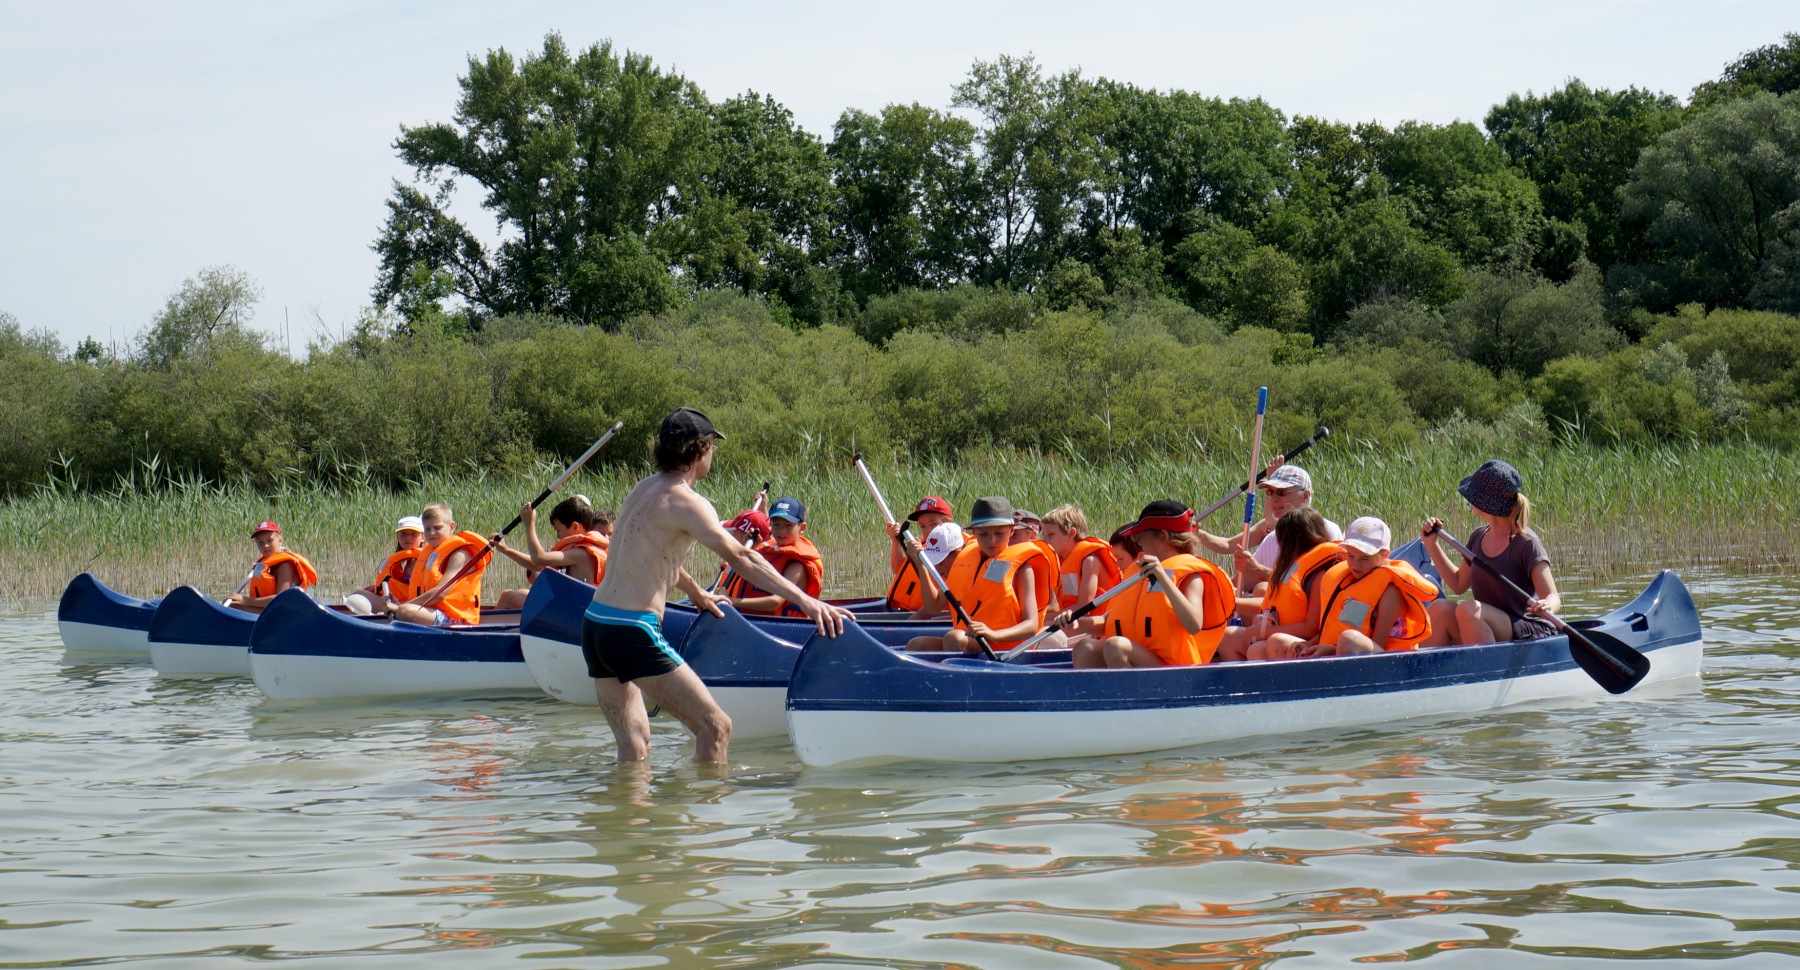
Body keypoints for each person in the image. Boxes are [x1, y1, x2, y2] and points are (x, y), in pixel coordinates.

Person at [585, 407, 850, 764]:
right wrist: (807, 601)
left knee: (634, 749)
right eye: (712, 446)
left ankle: (630, 802)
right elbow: (742, 557)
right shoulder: (688, 501)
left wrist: (696, 593)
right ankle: (709, 802)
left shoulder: (643, 488)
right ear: (701, 449)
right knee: (716, 728)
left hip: (597, 625)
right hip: (632, 630)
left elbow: (651, 556)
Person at [1071, 501, 1233, 668]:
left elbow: (1194, 625)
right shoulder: (1137, 571)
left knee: (1116, 646)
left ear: (1163, 537)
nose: (1139, 544)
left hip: (1174, 668)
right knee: (1085, 648)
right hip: (1139, 655)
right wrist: (1076, 622)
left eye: (1142, 537)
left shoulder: (1191, 576)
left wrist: (1162, 578)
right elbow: (1108, 622)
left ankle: (1129, 686)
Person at [1419, 459, 1561, 646]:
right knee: (1440, 609)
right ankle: (1430, 665)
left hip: (1527, 626)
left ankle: (1485, 663)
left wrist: (1547, 604)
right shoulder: (1478, 536)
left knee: (1469, 610)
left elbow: (1553, 597)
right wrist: (1431, 544)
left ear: (1488, 503)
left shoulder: (1527, 543)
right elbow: (1458, 584)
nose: (1469, 499)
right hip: (1487, 623)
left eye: (1475, 494)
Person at [1259, 517, 1437, 658]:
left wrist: (1330, 650)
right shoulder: (1346, 579)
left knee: (1349, 639)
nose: (1356, 565)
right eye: (1350, 556)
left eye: (1364, 558)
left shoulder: (1390, 592)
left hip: (1381, 658)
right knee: (1277, 642)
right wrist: (1309, 644)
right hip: (1338, 649)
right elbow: (1331, 626)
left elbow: (1377, 645)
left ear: (1384, 555)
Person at [904, 496, 1046, 654]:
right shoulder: (965, 561)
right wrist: (920, 564)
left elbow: (1031, 625)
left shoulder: (1023, 569)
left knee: (955, 638)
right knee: (917, 644)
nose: (992, 540)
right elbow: (933, 606)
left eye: (999, 533)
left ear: (1011, 531)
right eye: (983, 534)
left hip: (1003, 648)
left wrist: (993, 635)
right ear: (974, 533)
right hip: (970, 641)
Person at [1236, 509, 1339, 661]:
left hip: (1311, 641)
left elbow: (1311, 629)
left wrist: (1264, 632)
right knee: (1230, 638)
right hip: (1284, 632)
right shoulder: (1294, 569)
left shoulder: (1320, 574)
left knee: (1271, 645)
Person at [491, 495, 612, 610]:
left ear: (575, 527)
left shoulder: (580, 554)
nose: (558, 536)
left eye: (558, 530)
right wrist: (506, 549)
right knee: (521, 592)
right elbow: (537, 565)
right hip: (570, 607)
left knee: (508, 596)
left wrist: (529, 524)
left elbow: (539, 557)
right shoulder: (578, 551)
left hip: (572, 611)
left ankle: (489, 625)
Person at [721, 496, 825, 616]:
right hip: (752, 619)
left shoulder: (797, 566)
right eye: (776, 525)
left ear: (802, 528)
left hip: (782, 625)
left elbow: (775, 602)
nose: (781, 531)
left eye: (788, 526)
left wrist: (730, 601)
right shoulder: (773, 548)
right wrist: (751, 549)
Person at [393, 504, 491, 627]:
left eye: (437, 528)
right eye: (427, 529)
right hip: (435, 611)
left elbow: (440, 593)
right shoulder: (431, 552)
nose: (432, 533)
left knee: (405, 611)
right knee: (400, 608)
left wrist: (402, 607)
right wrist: (399, 604)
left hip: (457, 620)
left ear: (451, 527)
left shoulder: (460, 555)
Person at [1041, 504, 1122, 638]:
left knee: (1039, 630)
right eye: (1043, 535)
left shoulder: (1089, 560)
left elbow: (1084, 609)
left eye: (1050, 535)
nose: (1045, 541)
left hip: (1094, 628)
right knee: (1036, 627)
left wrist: (1043, 618)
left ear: (1071, 534)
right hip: (1071, 622)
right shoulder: (1059, 561)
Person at [225, 520, 319, 612]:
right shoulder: (265, 564)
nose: (265, 546)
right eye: (260, 542)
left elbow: (281, 599)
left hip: (284, 614)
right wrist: (259, 568)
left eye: (269, 540)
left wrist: (247, 601)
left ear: (280, 541)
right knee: (229, 603)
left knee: (231, 606)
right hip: (270, 610)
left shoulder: (285, 566)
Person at [885, 496, 958, 612]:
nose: (928, 530)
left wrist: (920, 560)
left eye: (933, 524)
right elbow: (898, 569)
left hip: (929, 613)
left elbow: (941, 595)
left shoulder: (953, 550)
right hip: (899, 609)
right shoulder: (922, 544)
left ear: (948, 522)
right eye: (923, 526)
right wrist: (896, 542)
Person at [346, 515, 426, 615]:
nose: (408, 538)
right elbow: (402, 588)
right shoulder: (410, 559)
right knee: (362, 593)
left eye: (413, 534)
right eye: (403, 534)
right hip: (400, 602)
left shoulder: (421, 561)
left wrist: (397, 606)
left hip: (408, 606)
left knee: (358, 595)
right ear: (398, 536)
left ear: (423, 537)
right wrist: (376, 588)